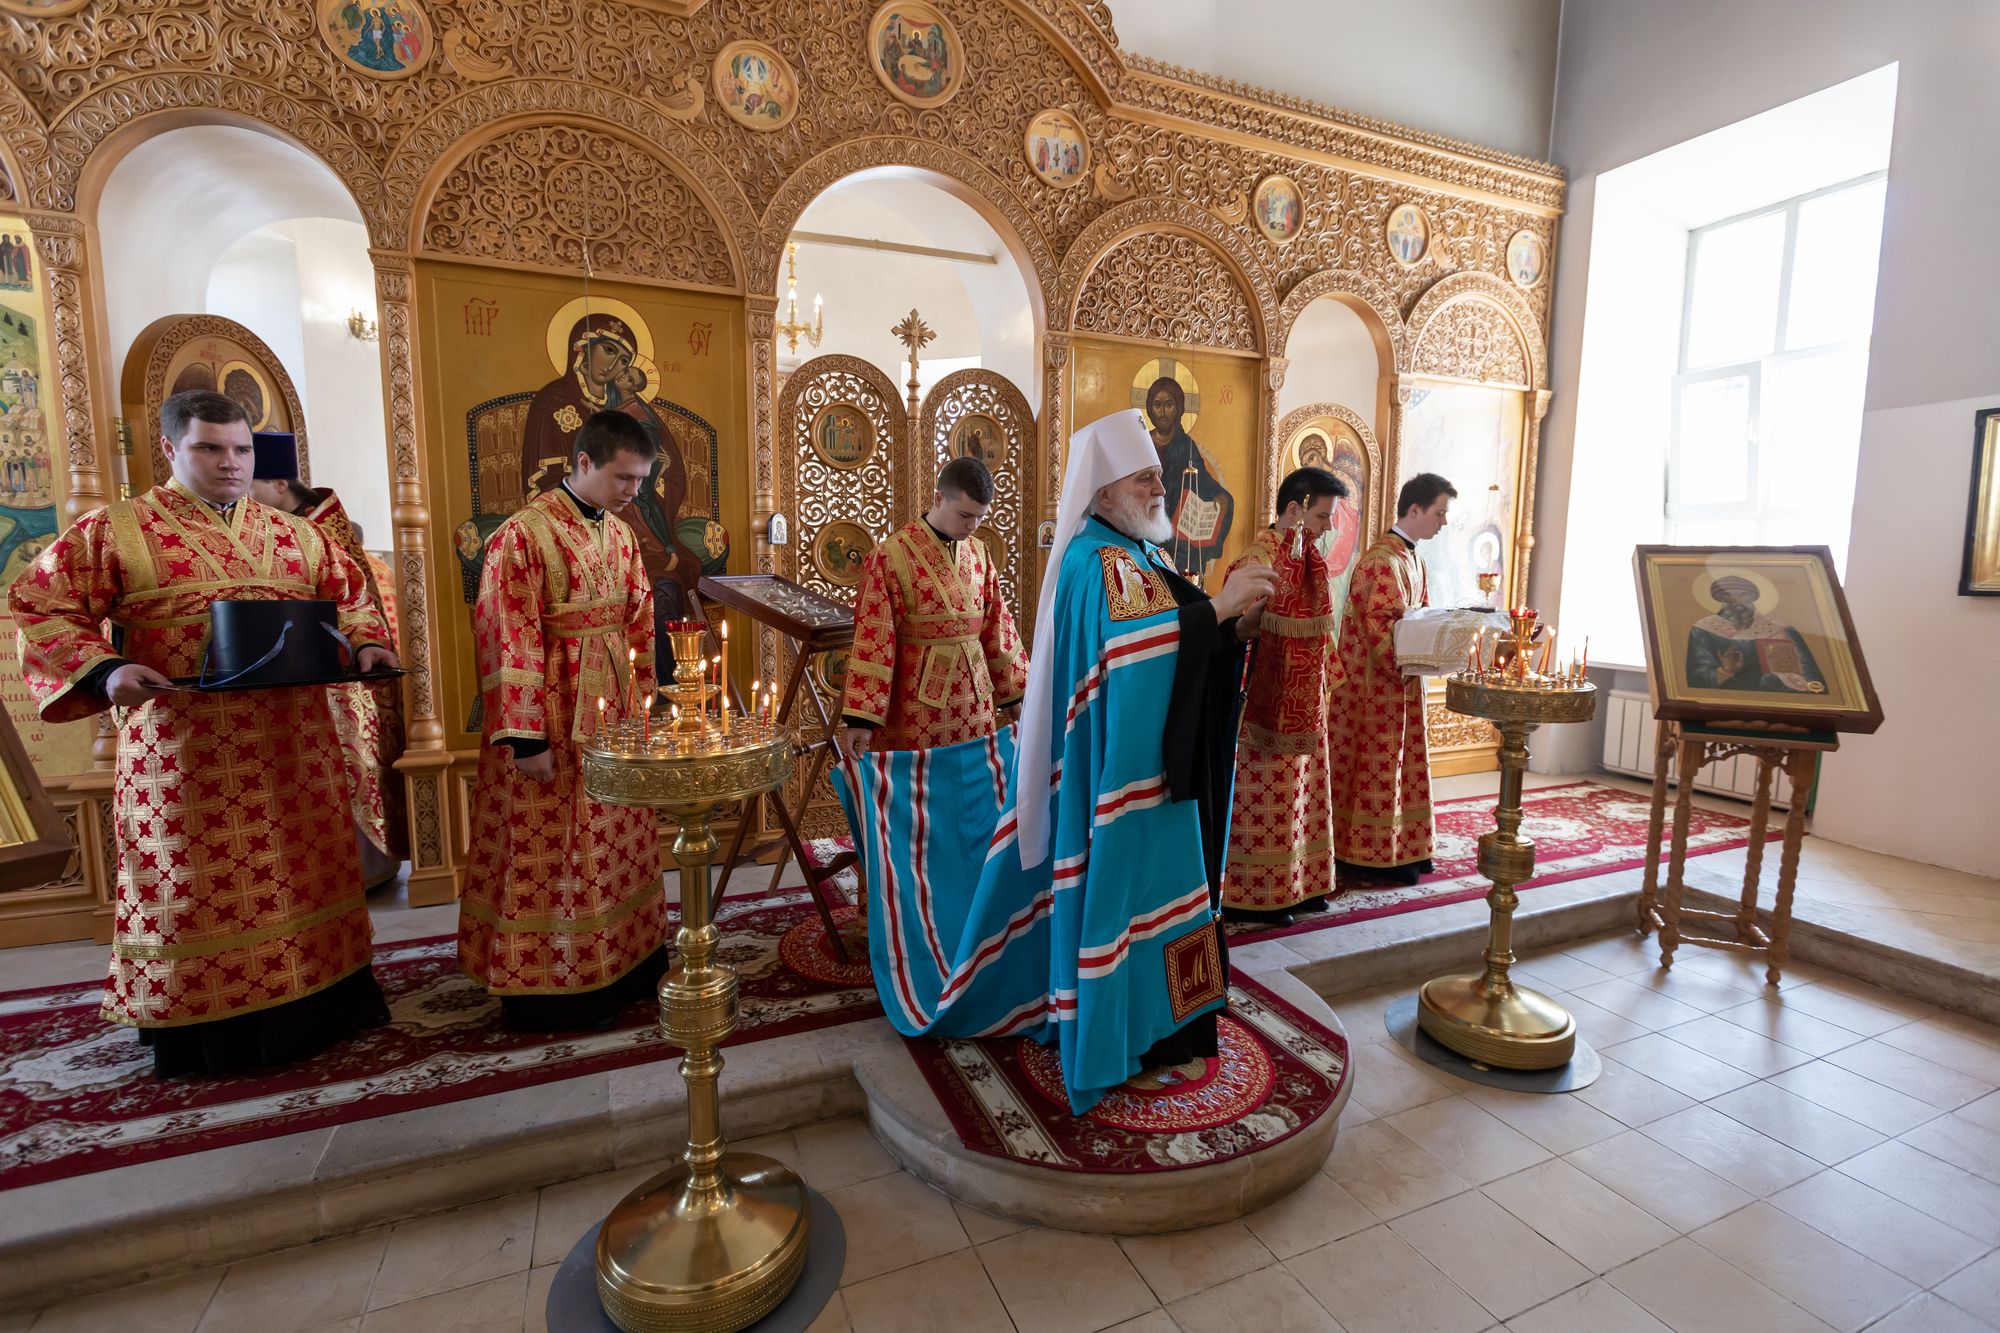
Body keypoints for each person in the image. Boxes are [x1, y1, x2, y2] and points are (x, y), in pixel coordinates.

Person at [834, 410, 1275, 1113]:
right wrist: (863, 715)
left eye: (1157, 476)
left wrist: (1230, 629)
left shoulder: (1139, 552)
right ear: (1104, 491)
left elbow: (1013, 633)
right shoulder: (1091, 559)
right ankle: (1112, 1035)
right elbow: (1127, 655)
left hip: (1104, 757)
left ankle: (1166, 1029)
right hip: (1073, 765)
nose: (1159, 488)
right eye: (1144, 478)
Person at [10, 389, 399, 1076]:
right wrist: (106, 669)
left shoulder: (296, 534)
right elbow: (41, 605)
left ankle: (323, 1004)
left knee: (303, 877)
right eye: (210, 448)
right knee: (199, 891)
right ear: (170, 448)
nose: (231, 463)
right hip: (185, 756)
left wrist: (368, 644)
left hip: (295, 748)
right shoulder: (116, 530)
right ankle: (209, 1033)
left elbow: (353, 599)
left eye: (242, 449)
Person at [459, 410, 664, 1032]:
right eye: (623, 478)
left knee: (616, 834)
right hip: (551, 710)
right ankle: (552, 984)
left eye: (641, 480)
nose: (633, 492)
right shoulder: (523, 535)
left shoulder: (621, 534)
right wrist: (526, 737)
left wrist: (645, 703)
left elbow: (639, 619)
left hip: (614, 709)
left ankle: (628, 959)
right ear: (583, 462)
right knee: (550, 847)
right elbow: (506, 634)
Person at [249, 432, 409, 888]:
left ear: (280, 483)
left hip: (336, 676)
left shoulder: (321, 529)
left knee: (342, 771)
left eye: (252, 484)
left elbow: (356, 605)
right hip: (287, 675)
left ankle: (360, 873)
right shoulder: (283, 524)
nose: (245, 496)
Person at [837, 456, 1028, 758]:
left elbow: (997, 627)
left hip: (975, 705)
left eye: (980, 517)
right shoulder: (890, 556)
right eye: (965, 515)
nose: (972, 526)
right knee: (918, 785)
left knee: (978, 778)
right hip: (916, 709)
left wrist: (1014, 695)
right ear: (939, 499)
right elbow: (875, 639)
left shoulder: (979, 553)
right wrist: (861, 719)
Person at [1223, 466, 1349, 925]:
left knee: (1303, 795)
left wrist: (1323, 684)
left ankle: (1302, 885)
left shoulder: (1310, 561)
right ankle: (1256, 894)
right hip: (1264, 707)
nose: (1328, 527)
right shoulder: (1255, 563)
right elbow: (1233, 632)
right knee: (1267, 801)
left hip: (1306, 704)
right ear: (1294, 509)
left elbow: (1322, 634)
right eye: (1322, 516)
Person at [1328, 472, 1456, 887]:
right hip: (1374, 690)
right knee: (1378, 768)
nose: (1444, 522)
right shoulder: (1381, 561)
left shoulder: (1412, 558)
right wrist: (1415, 658)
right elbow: (1381, 631)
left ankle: (1405, 847)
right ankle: (1370, 855)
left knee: (1402, 767)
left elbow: (1420, 618)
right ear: (1415, 509)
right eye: (1439, 513)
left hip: (1402, 684)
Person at [1144, 376, 1234, 576]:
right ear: (1150, 409)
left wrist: (1219, 496)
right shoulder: (1142, 444)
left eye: (1168, 405)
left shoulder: (1186, 446)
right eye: (1157, 405)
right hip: (1148, 526)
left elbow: (1202, 482)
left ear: (1178, 408)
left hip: (1178, 535)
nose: (1162, 412)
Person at [1686, 575, 1826, 693]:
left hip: (1779, 700)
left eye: (1743, 595)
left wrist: (1780, 680)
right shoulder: (1705, 628)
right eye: (1728, 595)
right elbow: (1697, 677)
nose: (1736, 600)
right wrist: (1726, 671)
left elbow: (1811, 675)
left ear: (1753, 597)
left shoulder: (1780, 628)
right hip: (1728, 701)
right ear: (1721, 599)